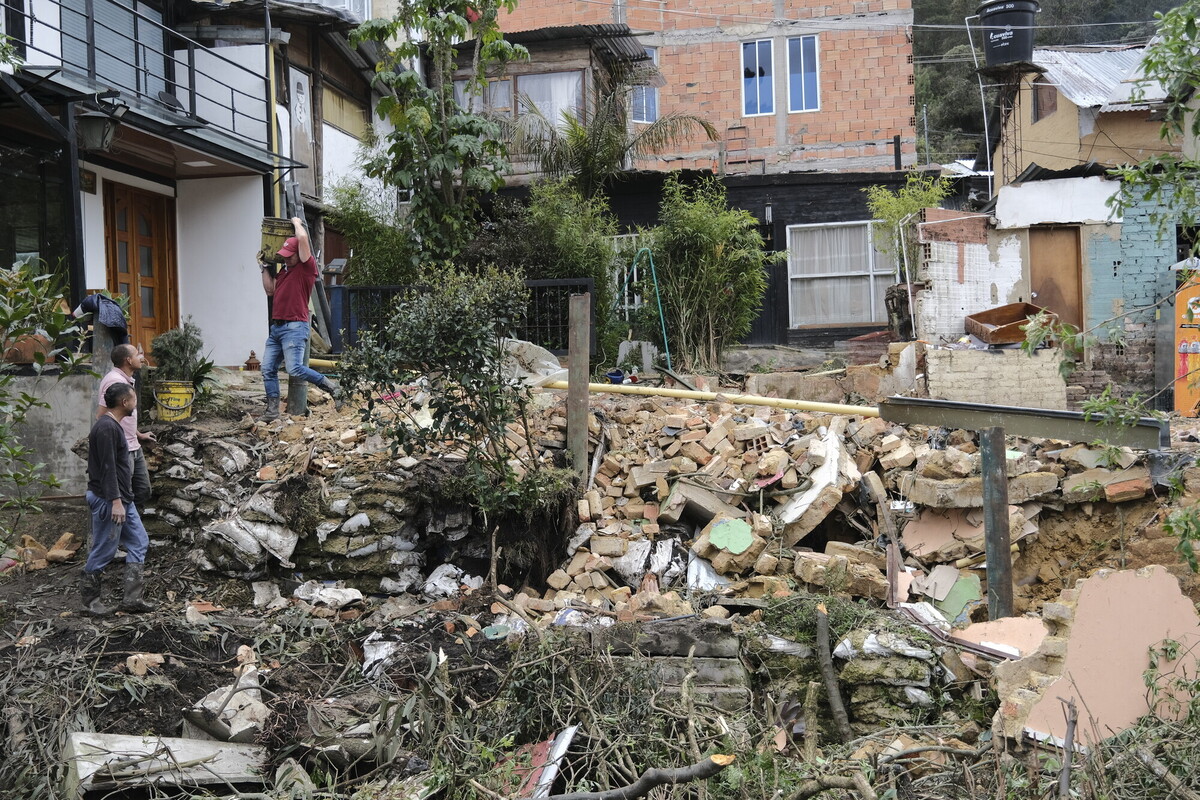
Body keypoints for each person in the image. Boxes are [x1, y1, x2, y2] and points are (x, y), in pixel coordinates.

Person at [82, 382, 155, 616]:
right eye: (133, 399)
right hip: (109, 500)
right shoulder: (106, 429)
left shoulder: (115, 426)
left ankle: (132, 600)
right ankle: (91, 603)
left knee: (139, 542)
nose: (135, 403)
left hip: (123, 499)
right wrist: (115, 501)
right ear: (125, 402)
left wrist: (123, 500)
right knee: (104, 549)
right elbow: (107, 468)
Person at [259, 216, 341, 421]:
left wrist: (296, 223)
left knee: (294, 367)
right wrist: (263, 267)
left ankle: (334, 389)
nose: (286, 258)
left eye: (290, 255)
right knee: (267, 369)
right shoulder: (284, 272)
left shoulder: (306, 269)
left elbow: (303, 239)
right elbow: (270, 290)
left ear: (299, 254)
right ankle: (272, 411)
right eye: (284, 255)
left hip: (295, 326)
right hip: (277, 328)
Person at [98, 343, 154, 508]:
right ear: (128, 360)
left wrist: (138, 434)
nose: (141, 358)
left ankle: (135, 530)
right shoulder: (113, 382)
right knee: (124, 494)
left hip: (133, 446)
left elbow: (125, 414)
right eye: (137, 355)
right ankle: (125, 531)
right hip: (123, 449)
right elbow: (102, 416)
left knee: (143, 491)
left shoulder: (126, 379)